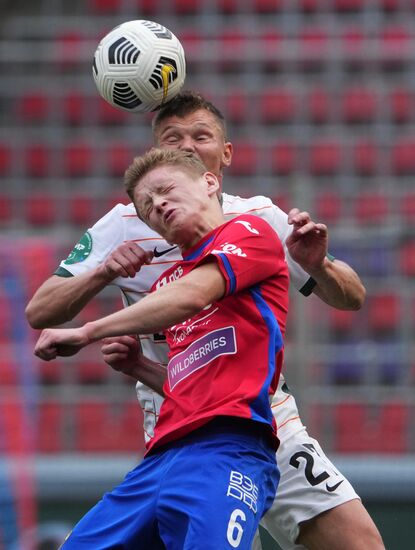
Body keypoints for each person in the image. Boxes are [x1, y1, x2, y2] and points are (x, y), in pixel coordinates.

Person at [26, 91, 384, 550]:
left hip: (259, 417)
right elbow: (41, 311)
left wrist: (318, 266)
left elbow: (352, 297)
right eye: (172, 139)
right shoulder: (123, 223)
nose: (187, 146)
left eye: (201, 136)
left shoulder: (258, 220)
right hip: (173, 420)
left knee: (357, 543)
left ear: (221, 160)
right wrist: (105, 272)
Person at [35, 148, 290, 549]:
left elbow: (193, 295)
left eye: (166, 190)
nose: (159, 205)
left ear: (210, 182)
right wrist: (139, 366)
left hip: (228, 451)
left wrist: (87, 332)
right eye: (148, 207)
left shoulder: (249, 232)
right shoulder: (166, 281)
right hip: (158, 461)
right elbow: (192, 384)